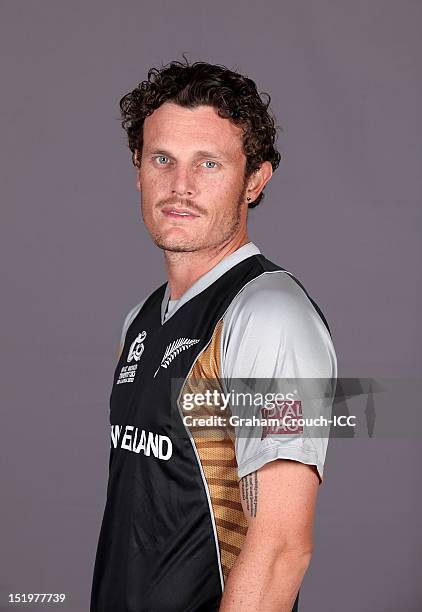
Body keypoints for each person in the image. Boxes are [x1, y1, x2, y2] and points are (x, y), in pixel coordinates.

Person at [90, 58, 337, 612]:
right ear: (138, 167)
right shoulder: (142, 318)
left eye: (209, 164)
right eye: (163, 159)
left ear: (255, 180)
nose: (180, 187)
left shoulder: (268, 316)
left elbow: (280, 549)